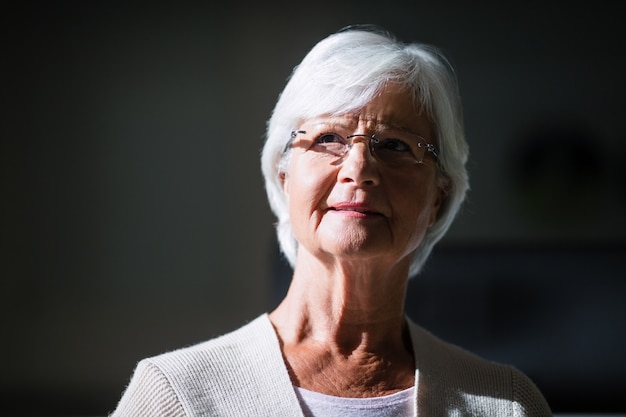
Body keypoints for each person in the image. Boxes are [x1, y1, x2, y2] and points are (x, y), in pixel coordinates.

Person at [109, 25, 552, 416]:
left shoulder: (506, 405)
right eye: (328, 139)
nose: (358, 169)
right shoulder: (178, 397)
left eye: (396, 146)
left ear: (439, 195)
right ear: (284, 177)